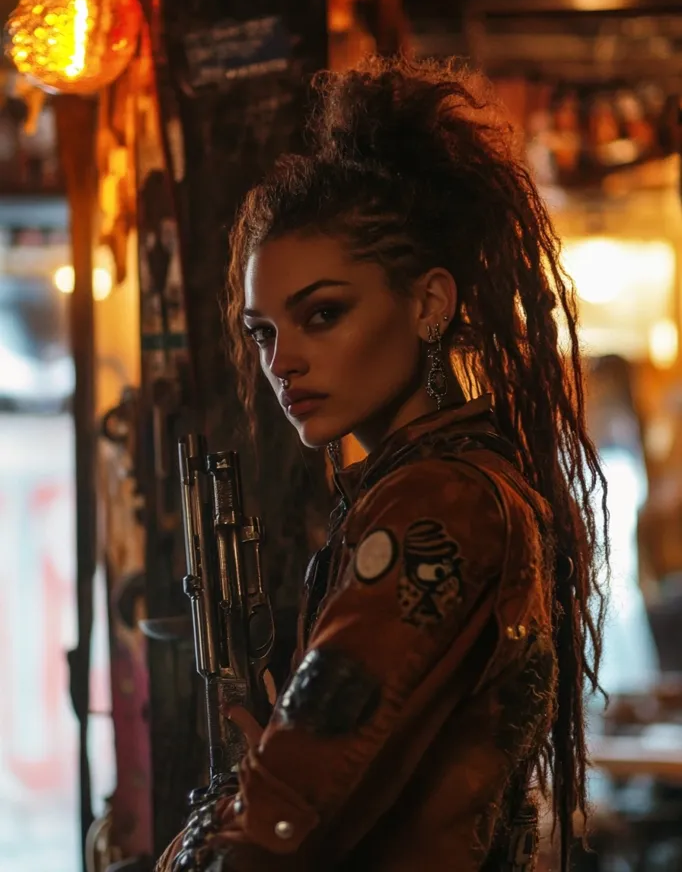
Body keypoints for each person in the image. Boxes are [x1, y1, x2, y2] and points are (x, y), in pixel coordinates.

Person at [158, 57, 608, 872]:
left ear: (429, 304)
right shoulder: (457, 480)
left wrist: (253, 816)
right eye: (264, 332)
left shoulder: (437, 499)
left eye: (322, 315)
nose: (282, 361)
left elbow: (282, 817)